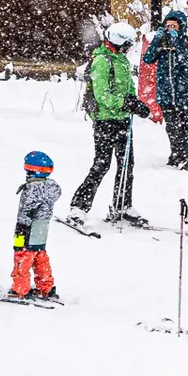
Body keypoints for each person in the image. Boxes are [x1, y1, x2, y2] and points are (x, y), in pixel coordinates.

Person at [68, 21, 147, 228]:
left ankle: (122, 204)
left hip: (122, 120)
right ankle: (79, 207)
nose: (129, 49)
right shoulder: (102, 61)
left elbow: (128, 87)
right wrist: (123, 103)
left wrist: (135, 103)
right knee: (102, 164)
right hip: (105, 120)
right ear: (118, 42)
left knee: (126, 164)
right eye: (127, 45)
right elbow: (102, 95)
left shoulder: (121, 60)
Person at [142, 10, 188, 170]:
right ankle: (179, 155)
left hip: (186, 94)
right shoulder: (161, 43)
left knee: (184, 128)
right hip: (167, 94)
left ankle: (183, 156)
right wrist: (156, 41)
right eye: (167, 25)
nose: (170, 28)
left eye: (173, 26)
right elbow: (148, 59)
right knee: (172, 128)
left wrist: (176, 45)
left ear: (181, 27)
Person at [9, 152, 62, 301]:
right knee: (40, 257)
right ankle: (45, 287)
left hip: (26, 230)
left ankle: (20, 290)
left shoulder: (31, 189)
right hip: (42, 229)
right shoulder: (51, 187)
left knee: (22, 258)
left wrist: (19, 233)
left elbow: (25, 212)